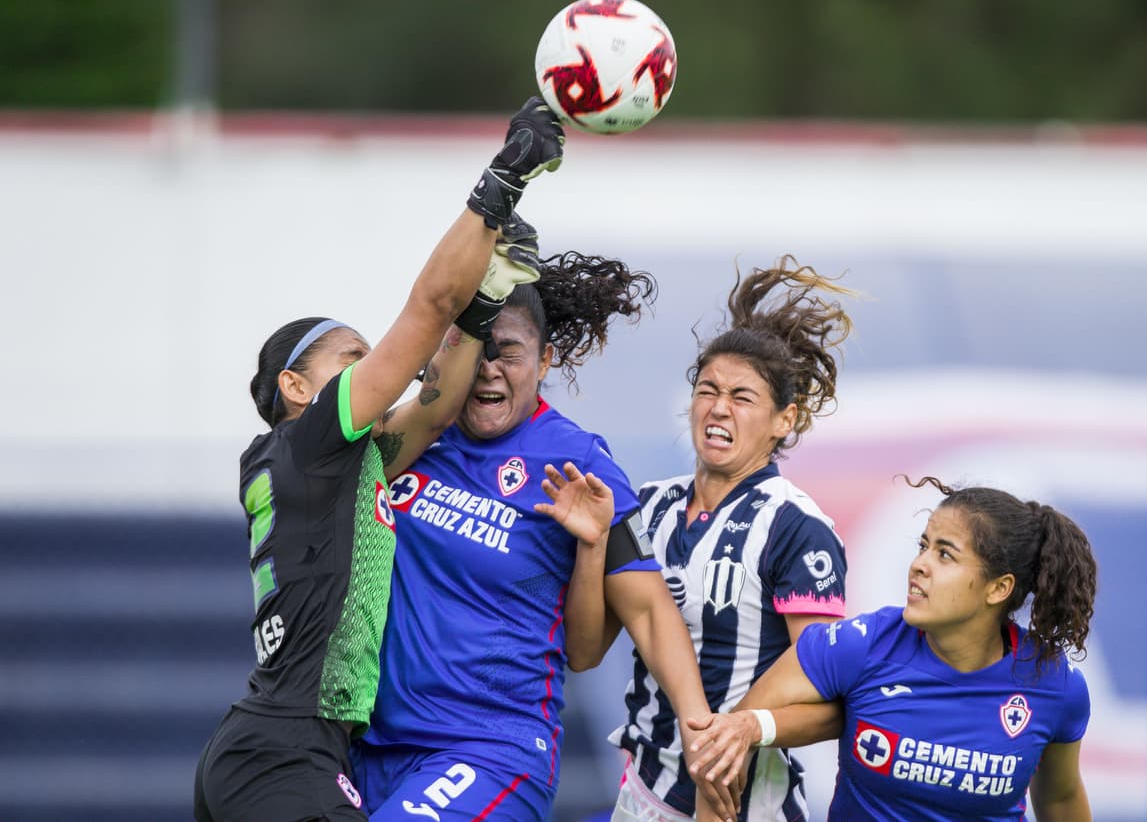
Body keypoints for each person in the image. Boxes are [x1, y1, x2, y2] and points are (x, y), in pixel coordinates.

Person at [193, 97, 565, 822]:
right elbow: (426, 310)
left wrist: (485, 305)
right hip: (283, 751)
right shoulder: (313, 434)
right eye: (353, 357)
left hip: (276, 747)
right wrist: (505, 176)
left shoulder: (326, 462)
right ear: (296, 386)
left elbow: (433, 409)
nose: (374, 368)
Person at [348, 252, 735, 820]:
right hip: (372, 749)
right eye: (475, 349)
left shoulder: (575, 461)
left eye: (508, 352)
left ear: (546, 358)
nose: (487, 370)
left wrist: (700, 730)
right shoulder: (416, 441)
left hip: (490, 751)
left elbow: (645, 616)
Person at [574, 257, 855, 822]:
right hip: (643, 794)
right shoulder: (648, 504)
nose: (719, 407)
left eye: (743, 396)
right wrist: (592, 545)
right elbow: (584, 653)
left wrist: (743, 732)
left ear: (785, 420)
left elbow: (833, 702)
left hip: (745, 807)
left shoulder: (797, 528)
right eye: (708, 389)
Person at [685, 476, 1099, 822]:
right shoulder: (861, 645)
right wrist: (749, 728)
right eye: (923, 546)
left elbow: (1060, 801)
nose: (919, 564)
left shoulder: (1055, 686)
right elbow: (731, 741)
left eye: (945, 555)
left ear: (999, 588)